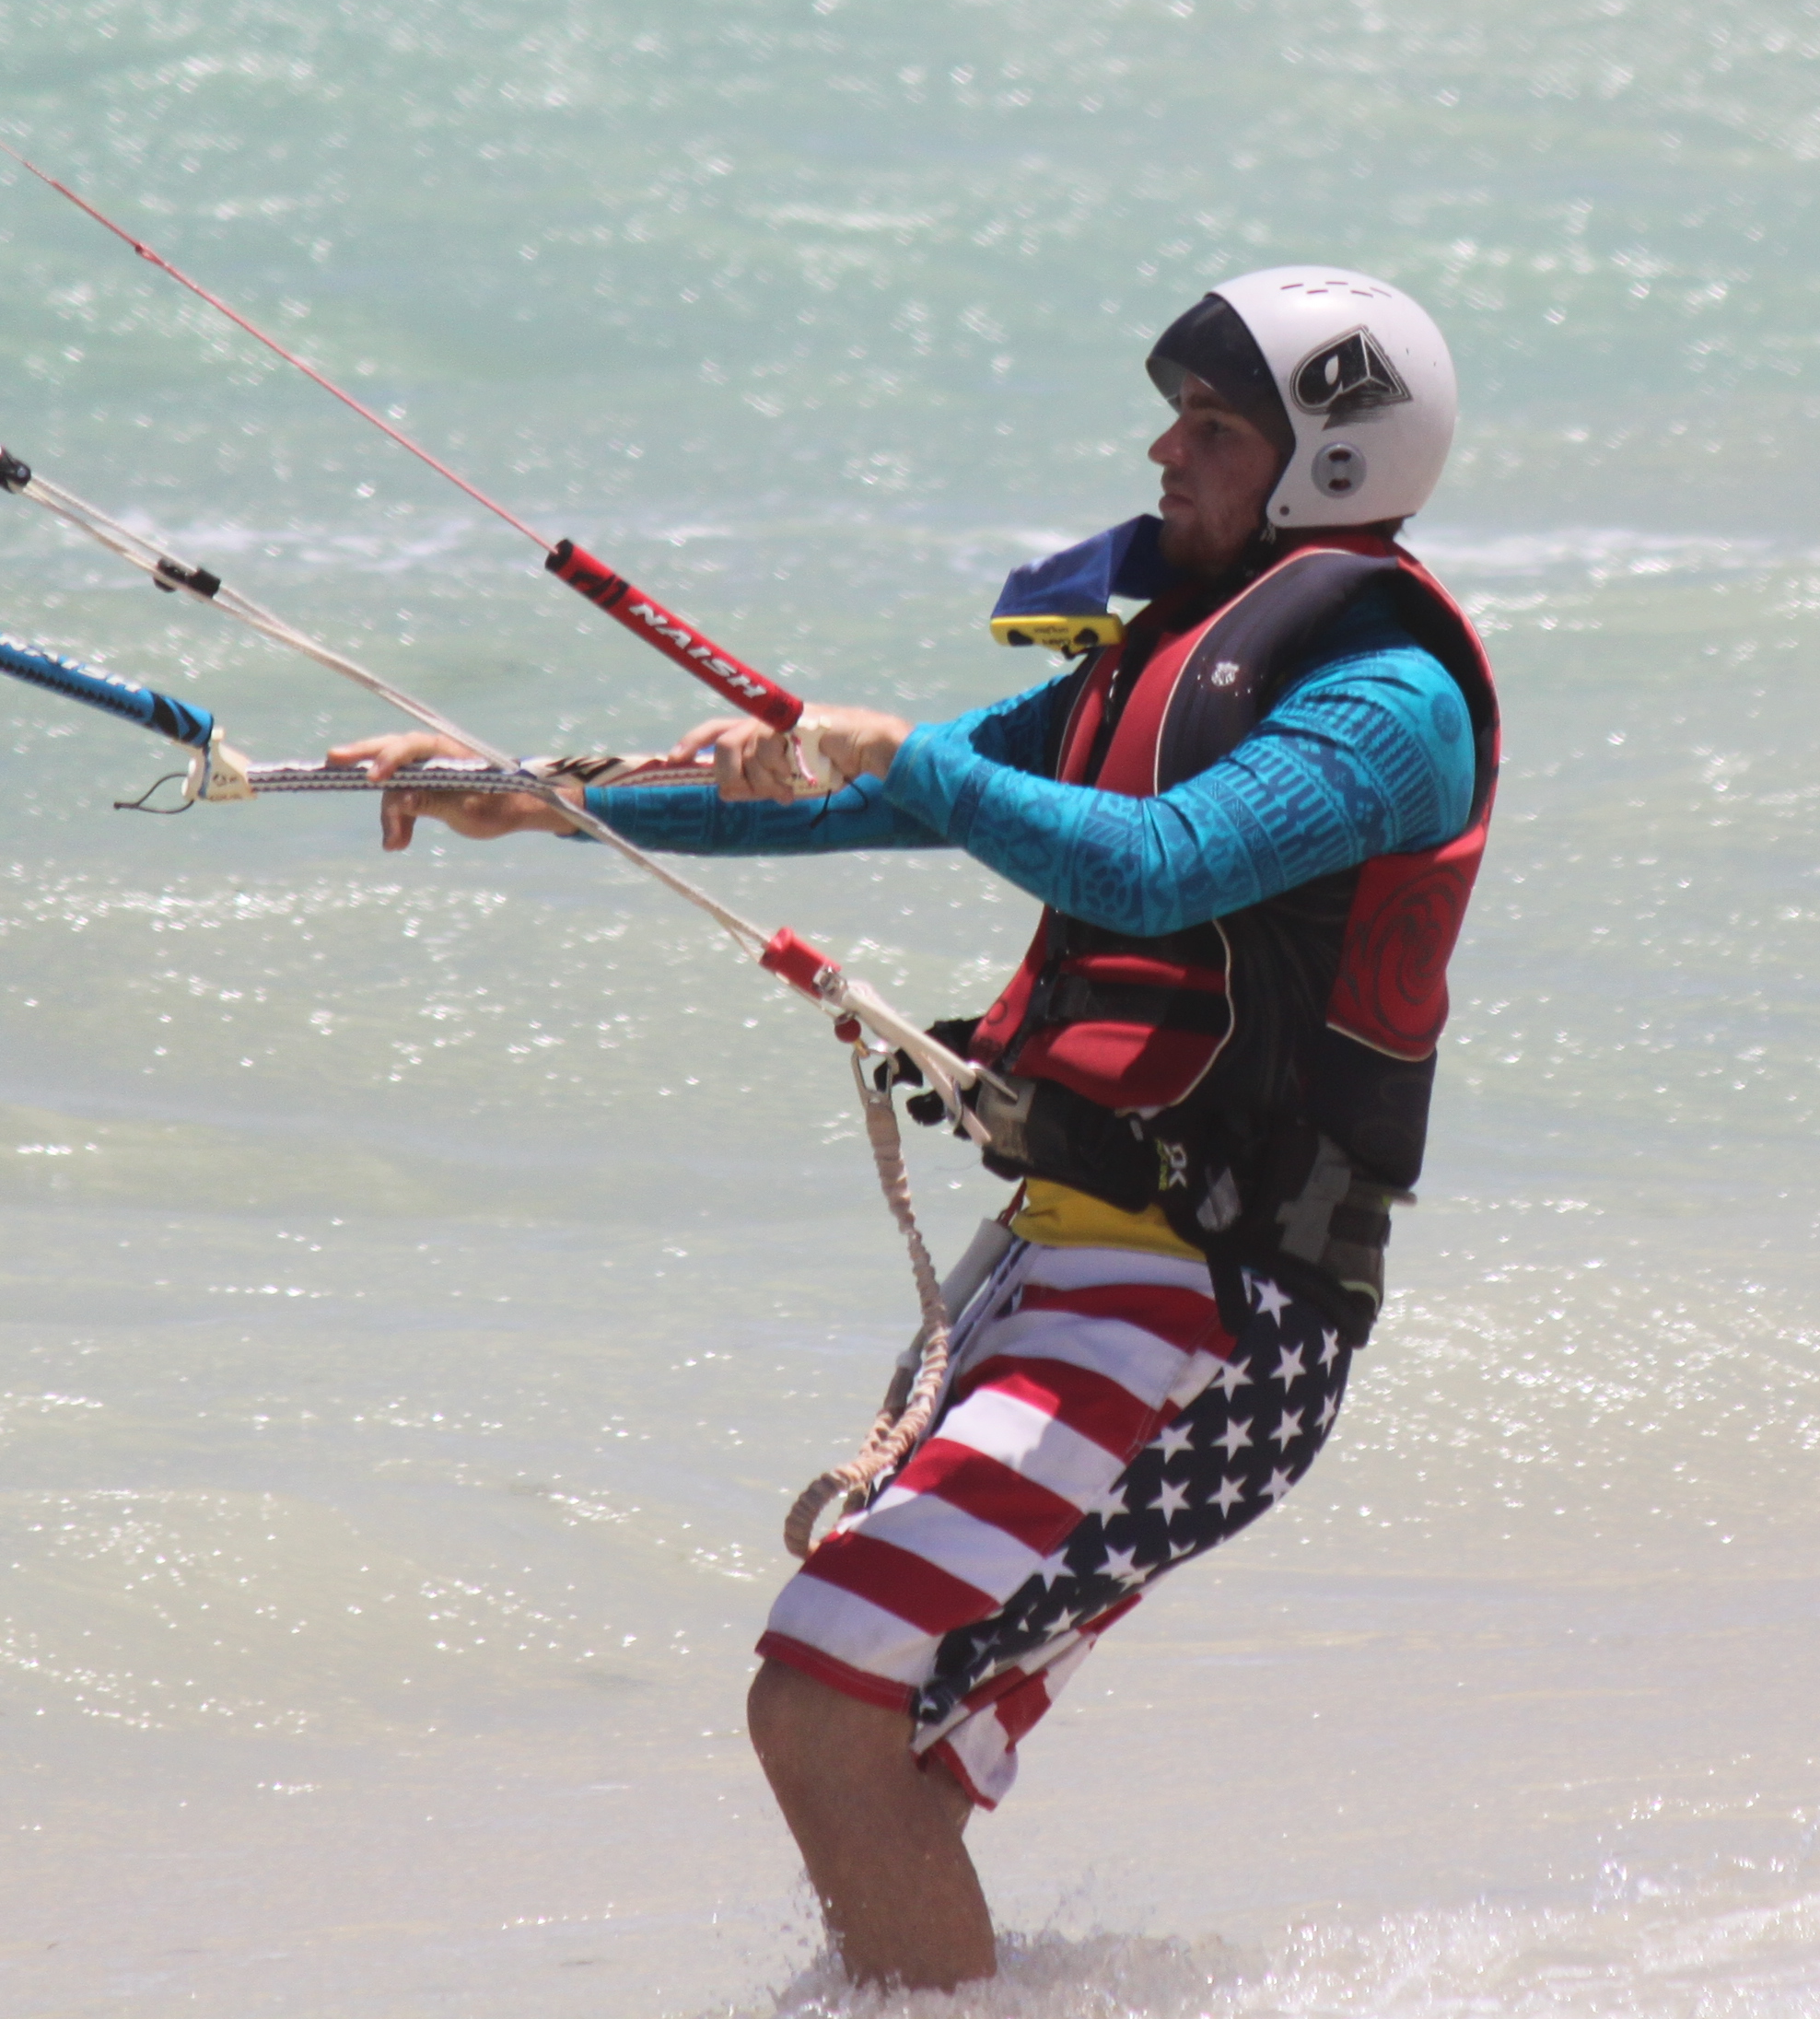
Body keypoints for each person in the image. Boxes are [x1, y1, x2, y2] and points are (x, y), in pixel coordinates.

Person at [332, 265, 1499, 1993]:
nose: (1162, 450)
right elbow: (888, 787)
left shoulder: (1387, 701)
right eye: (1172, 412)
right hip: (1060, 1266)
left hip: (1223, 1310)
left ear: (1325, 463)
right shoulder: (1169, 652)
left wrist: (910, 757)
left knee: (826, 1692)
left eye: (1214, 426)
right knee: (867, 1730)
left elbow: (1158, 860)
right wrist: (538, 792)